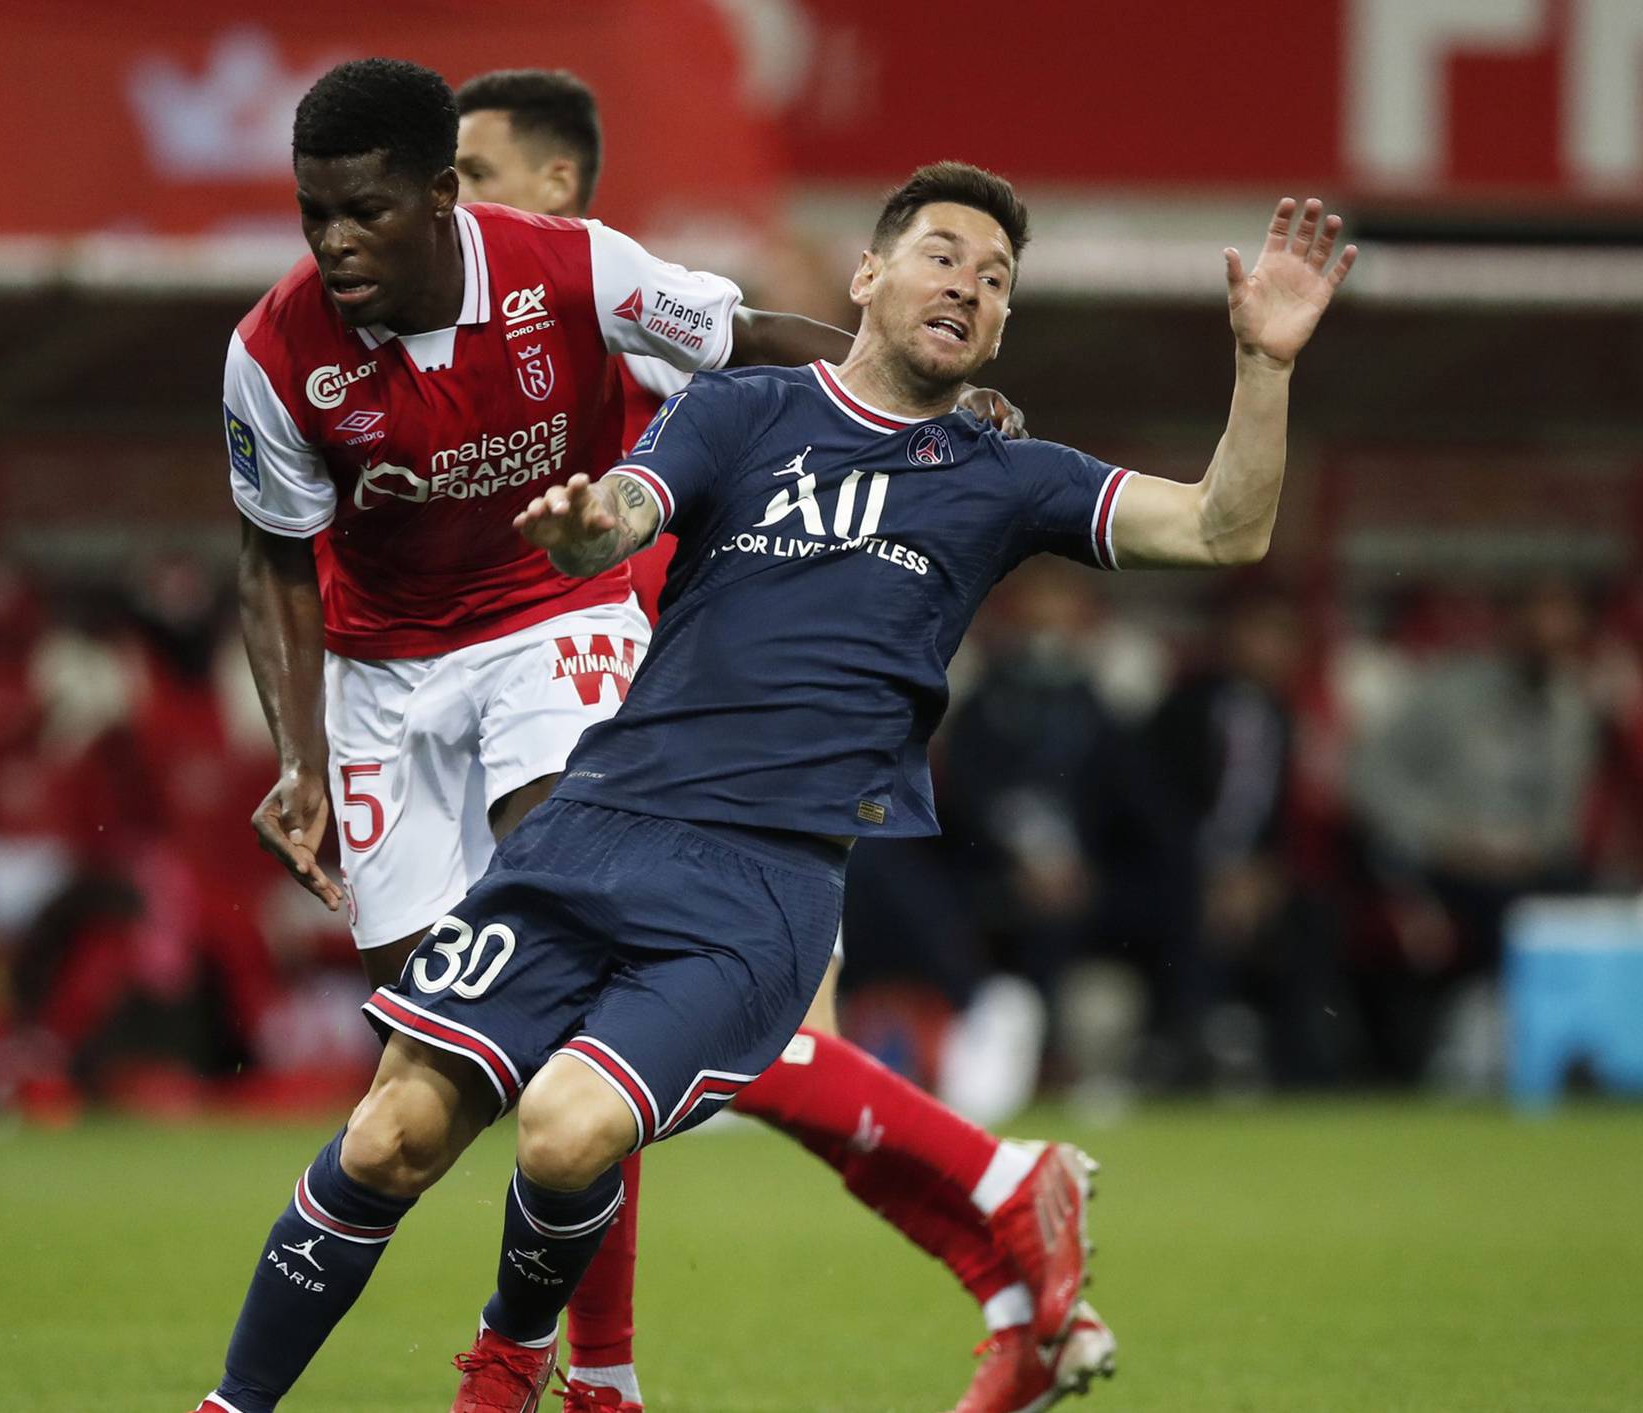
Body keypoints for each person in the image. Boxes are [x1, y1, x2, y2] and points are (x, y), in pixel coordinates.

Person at [185, 155, 1355, 1413]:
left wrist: (1266, 367)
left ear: (1005, 326)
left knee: (567, 1127)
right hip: (592, 826)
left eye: (997, 279)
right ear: (869, 275)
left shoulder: (1010, 479)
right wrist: (588, 527)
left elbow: (1224, 528)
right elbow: (630, 507)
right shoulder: (744, 411)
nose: (968, 284)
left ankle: (511, 1365)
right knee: (390, 1134)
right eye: (943, 255)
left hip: (762, 879)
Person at [212, 52, 1039, 1413]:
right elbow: (272, 557)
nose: (335, 242)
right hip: (384, 679)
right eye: (315, 216)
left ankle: (576, 1360)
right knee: (440, 1083)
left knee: (591, 961)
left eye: (371, 209)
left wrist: (916, 395)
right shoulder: (273, 353)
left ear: (468, 196)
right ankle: (595, 1366)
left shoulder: (576, 270)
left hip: (562, 618)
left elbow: (760, 337)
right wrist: (300, 755)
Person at [454, 68, 1095, 1413]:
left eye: (473, 176)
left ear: (557, 187)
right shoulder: (453, 317)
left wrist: (940, 410)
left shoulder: (604, 290)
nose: (449, 206)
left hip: (665, 703)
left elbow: (785, 341)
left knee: (710, 1051)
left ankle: (995, 1195)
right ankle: (994, 1264)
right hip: (651, 698)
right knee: (649, 1065)